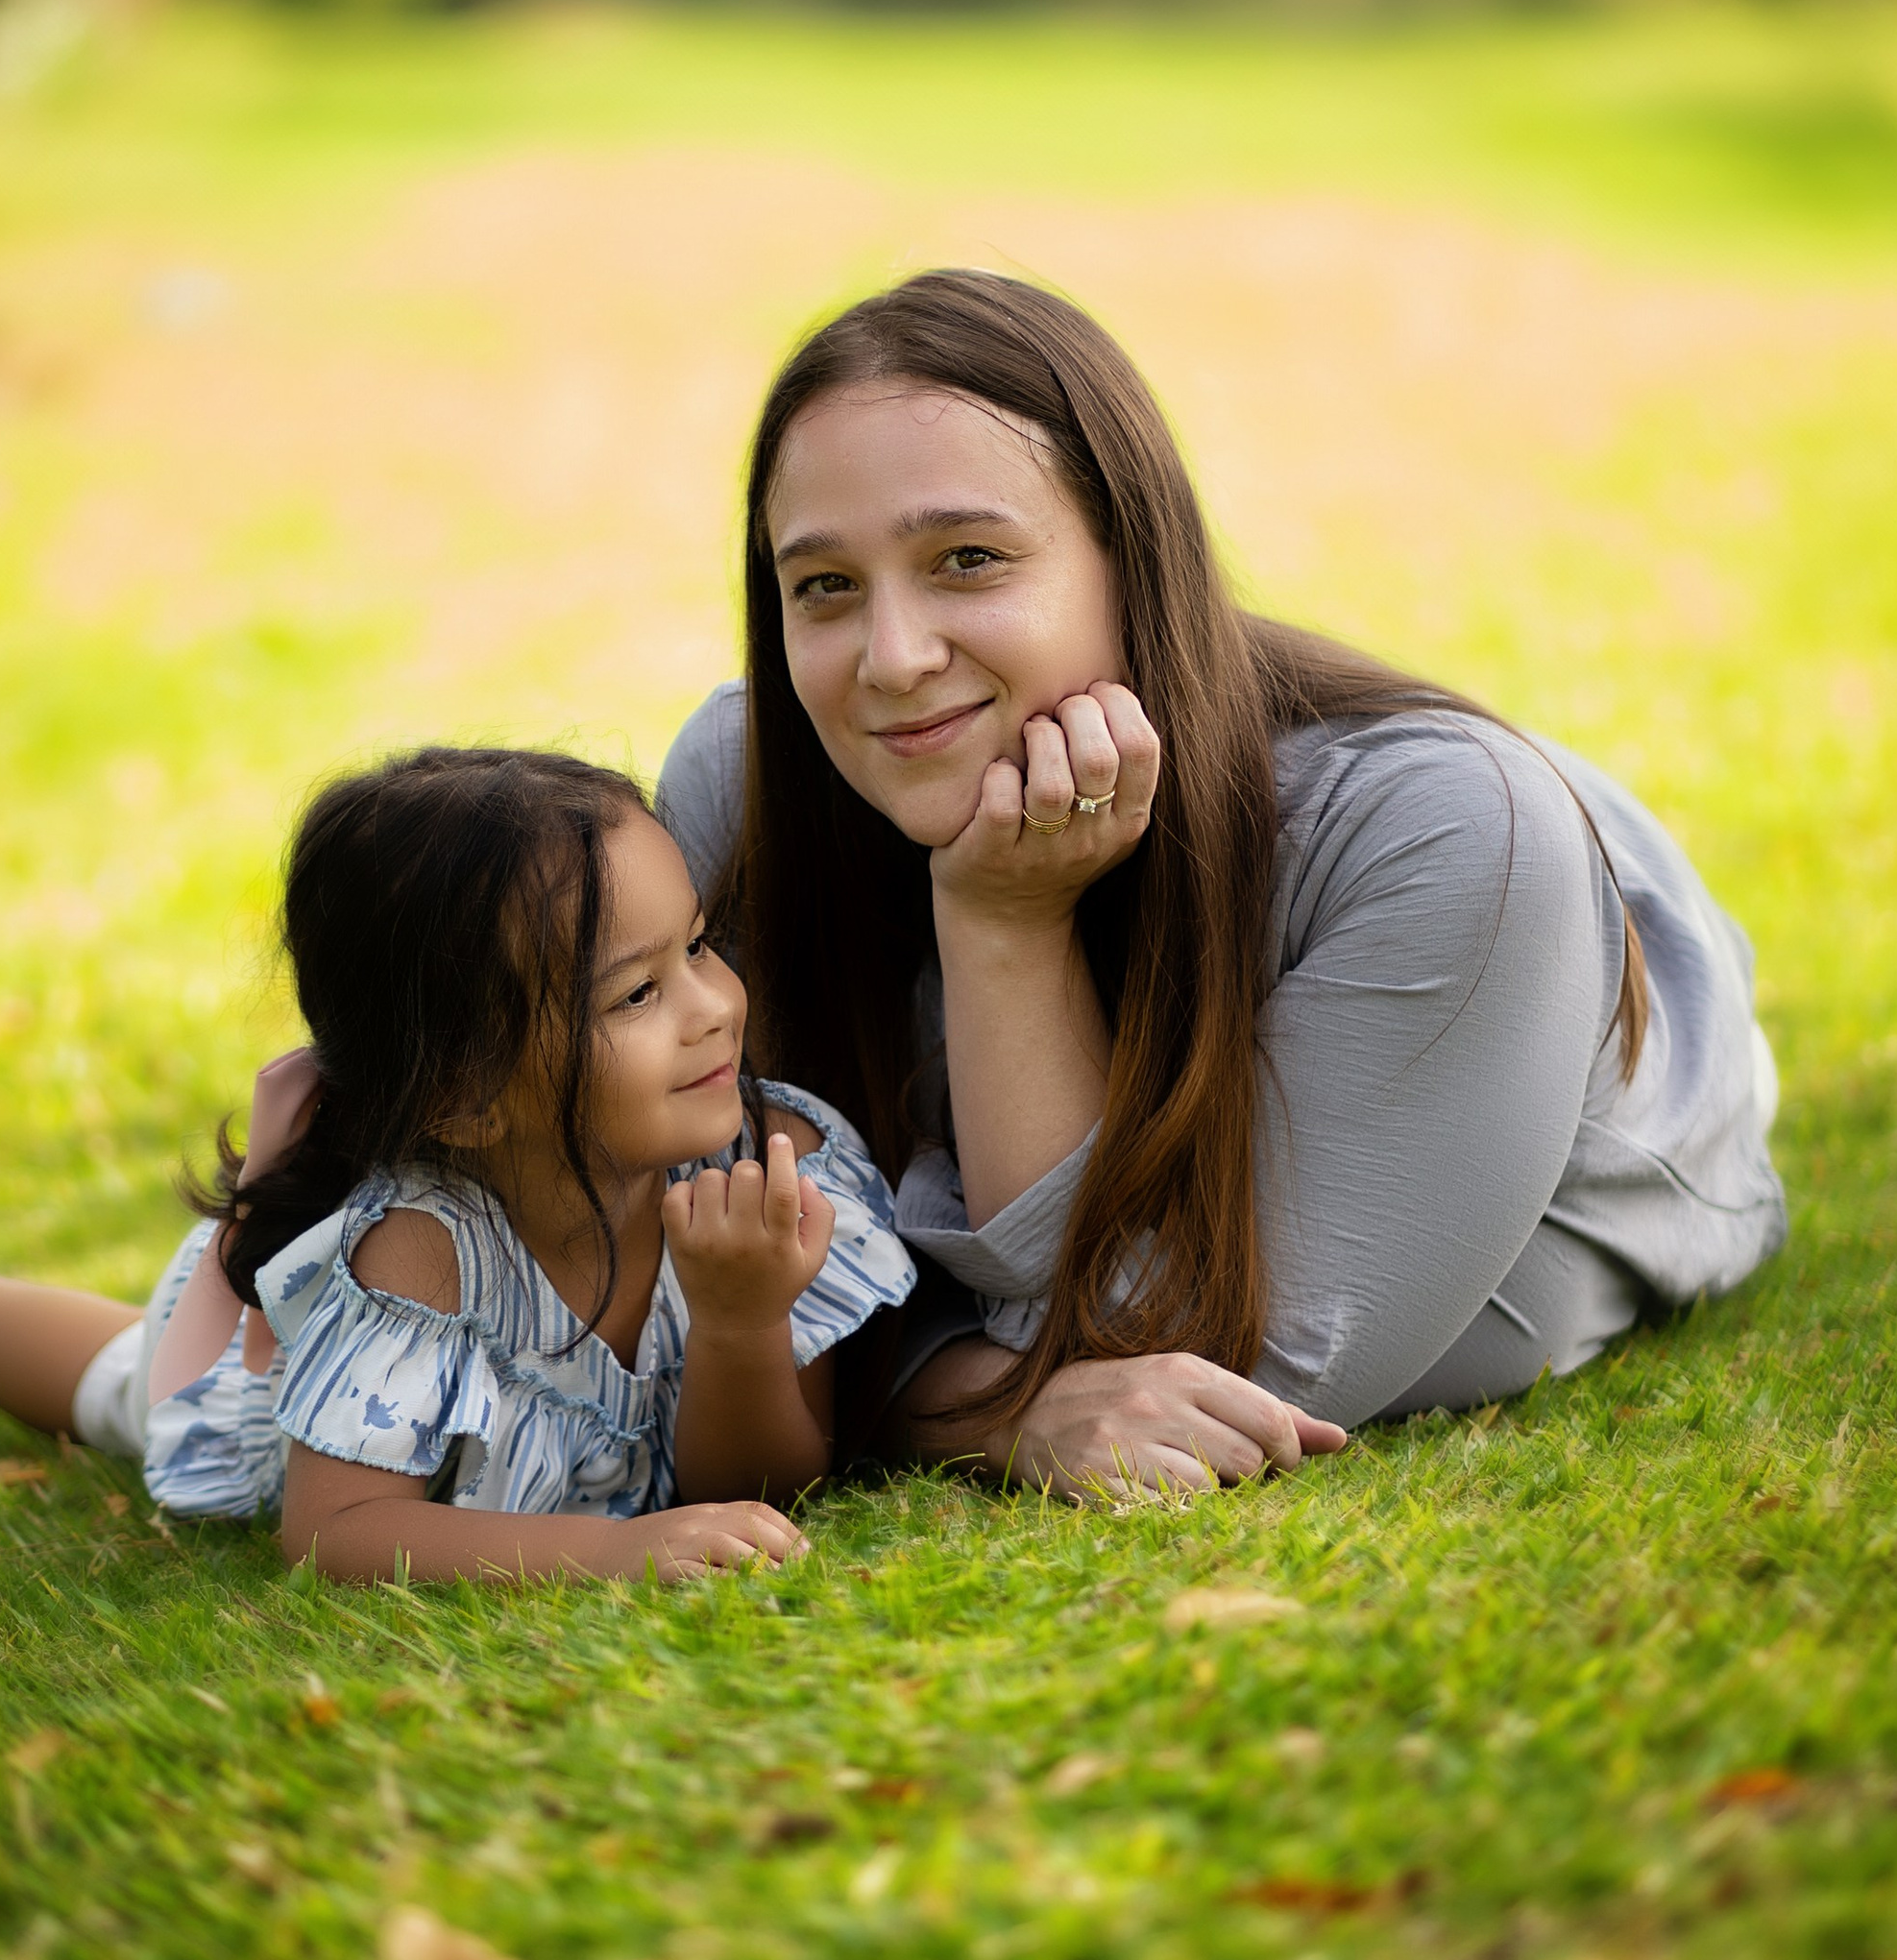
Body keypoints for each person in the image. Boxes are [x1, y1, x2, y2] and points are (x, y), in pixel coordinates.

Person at [659, 266, 1788, 1498]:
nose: (892, 658)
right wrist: (982, 1408)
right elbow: (657, 1271)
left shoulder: (1455, 837)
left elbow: (1172, 1375)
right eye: (824, 585)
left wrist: (1003, 930)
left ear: (1130, 558)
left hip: (1560, 1025)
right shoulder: (746, 780)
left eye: (969, 558)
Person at [0, 747, 913, 1582]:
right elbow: (338, 1529)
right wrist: (611, 1553)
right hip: (295, 1397)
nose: (716, 1007)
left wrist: (737, 1320)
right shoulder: (417, 1256)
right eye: (637, 991)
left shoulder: (770, 1165)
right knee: (126, 1380)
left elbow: (759, 1491)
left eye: (701, 946)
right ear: (468, 1097)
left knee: (118, 1364)